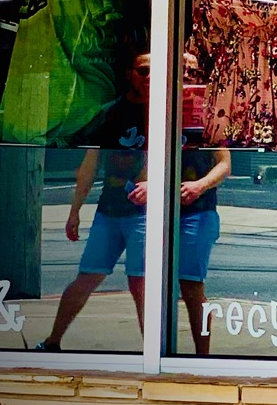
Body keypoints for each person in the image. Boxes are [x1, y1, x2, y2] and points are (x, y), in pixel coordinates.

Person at [35, 50, 230, 354]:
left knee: (181, 285)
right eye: (143, 71)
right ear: (130, 74)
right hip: (117, 209)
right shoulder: (116, 112)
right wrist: (74, 210)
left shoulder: (193, 110)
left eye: (191, 72)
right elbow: (90, 163)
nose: (152, 78)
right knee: (90, 276)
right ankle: (53, 341)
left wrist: (195, 186)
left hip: (178, 211)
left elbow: (219, 162)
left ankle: (176, 355)